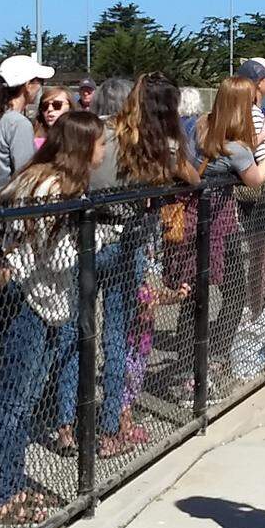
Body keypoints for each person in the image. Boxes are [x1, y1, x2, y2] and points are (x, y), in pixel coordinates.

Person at [0, 111, 105, 519]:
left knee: (26, 400)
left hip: (46, 299)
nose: (105, 150)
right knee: (13, 402)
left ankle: (11, 485)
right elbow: (58, 257)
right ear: (83, 146)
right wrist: (100, 235)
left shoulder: (57, 181)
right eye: (100, 143)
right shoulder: (51, 186)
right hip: (28, 299)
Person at [88, 72, 200, 453]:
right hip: (129, 240)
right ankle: (114, 423)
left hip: (91, 237)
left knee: (85, 335)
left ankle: (77, 421)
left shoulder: (107, 133)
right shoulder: (157, 144)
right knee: (121, 333)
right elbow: (190, 176)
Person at [196, 76, 265, 381]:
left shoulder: (203, 130)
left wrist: (258, 142)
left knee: (196, 296)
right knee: (234, 293)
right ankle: (216, 359)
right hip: (220, 225)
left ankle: (191, 365)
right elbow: (257, 179)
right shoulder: (236, 149)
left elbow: (236, 151)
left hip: (196, 222)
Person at [0, 54, 55, 204]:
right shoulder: (18, 123)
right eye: (40, 81)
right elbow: (26, 176)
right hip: (4, 214)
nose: (41, 86)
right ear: (28, 85)